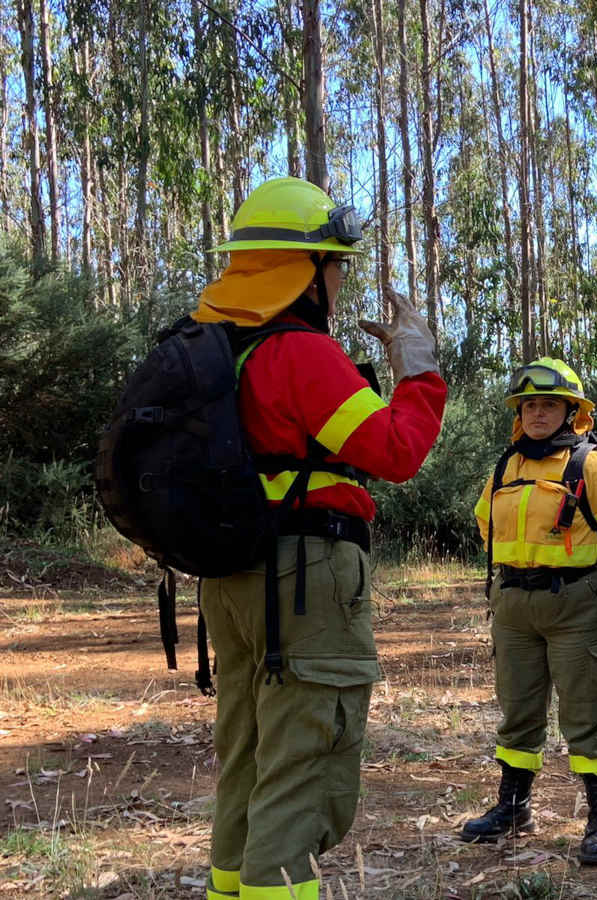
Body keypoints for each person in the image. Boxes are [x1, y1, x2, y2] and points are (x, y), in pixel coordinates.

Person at [194, 176, 447, 900]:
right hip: (303, 574)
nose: (341, 280)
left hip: (232, 573)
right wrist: (419, 369)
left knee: (246, 749)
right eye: (337, 265)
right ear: (305, 272)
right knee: (304, 756)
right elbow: (395, 452)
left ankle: (228, 888)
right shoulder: (299, 354)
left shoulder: (221, 349)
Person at [463, 358, 597, 865]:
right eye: (530, 405)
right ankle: (513, 808)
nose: (538, 413)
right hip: (513, 605)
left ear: (571, 411)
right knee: (517, 711)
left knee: (586, 714)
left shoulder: (592, 465)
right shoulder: (506, 465)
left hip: (573, 605)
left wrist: (589, 579)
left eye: (549, 404)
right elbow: (486, 526)